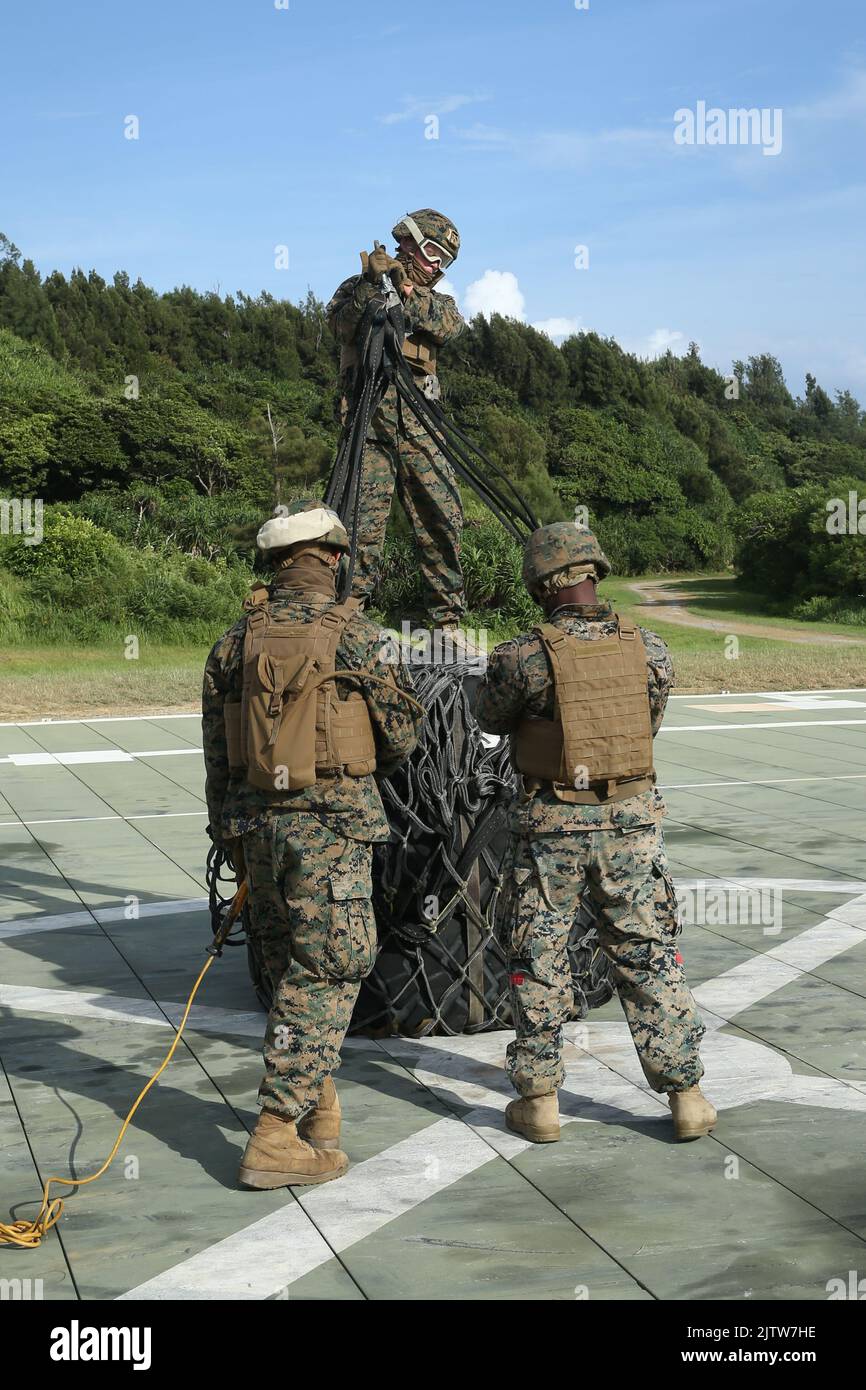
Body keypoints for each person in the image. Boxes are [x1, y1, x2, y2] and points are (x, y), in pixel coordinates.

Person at [202, 498, 423, 1187]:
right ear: (331, 559)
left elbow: (216, 753)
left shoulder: (232, 644)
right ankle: (274, 1133)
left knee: (282, 963)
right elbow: (404, 736)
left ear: (275, 564)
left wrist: (229, 834)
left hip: (253, 830)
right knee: (330, 967)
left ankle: (318, 1108)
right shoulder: (363, 637)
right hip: (330, 826)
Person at [473, 522, 715, 1143]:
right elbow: (648, 722)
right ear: (593, 574)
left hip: (551, 822)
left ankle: (541, 1101)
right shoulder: (650, 647)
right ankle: (686, 1095)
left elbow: (489, 715)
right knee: (647, 951)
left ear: (539, 583)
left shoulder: (523, 654)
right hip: (632, 820)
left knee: (539, 954)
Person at [325, 208, 467, 631]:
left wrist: (404, 289)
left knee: (443, 517)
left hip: (422, 428)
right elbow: (338, 323)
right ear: (406, 241)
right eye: (430, 251)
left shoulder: (435, 302)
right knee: (358, 526)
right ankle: (347, 620)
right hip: (368, 428)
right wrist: (371, 285)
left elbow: (448, 325)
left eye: (443, 259)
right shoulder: (358, 287)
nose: (435, 264)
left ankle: (446, 625)